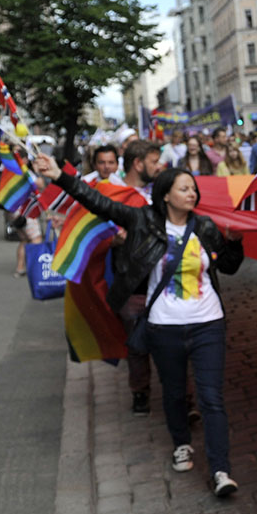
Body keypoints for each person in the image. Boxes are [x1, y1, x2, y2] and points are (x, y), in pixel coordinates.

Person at [33, 154, 245, 496]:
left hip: (208, 324)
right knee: (174, 393)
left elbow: (230, 267)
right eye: (184, 188)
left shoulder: (205, 226)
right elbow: (97, 202)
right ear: (165, 195)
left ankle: (221, 470)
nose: (192, 193)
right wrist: (59, 175)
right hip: (164, 326)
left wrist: (235, 244)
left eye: (193, 188)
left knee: (211, 399)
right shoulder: (142, 220)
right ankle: (181, 443)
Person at [111, 139, 164, 415]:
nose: (159, 167)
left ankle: (182, 397)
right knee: (136, 344)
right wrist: (114, 241)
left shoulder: (160, 191)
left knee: (172, 342)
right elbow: (100, 234)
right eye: (154, 162)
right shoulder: (115, 194)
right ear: (138, 163)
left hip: (164, 281)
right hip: (133, 282)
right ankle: (140, 391)